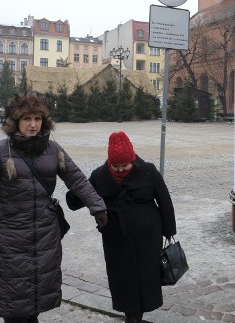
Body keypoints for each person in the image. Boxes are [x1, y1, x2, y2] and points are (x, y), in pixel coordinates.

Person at [0, 92, 108, 323]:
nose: (33, 124)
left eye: (37, 118)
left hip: (43, 236)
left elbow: (76, 178)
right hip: (9, 239)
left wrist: (97, 207)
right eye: (27, 118)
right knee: (13, 302)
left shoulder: (53, 149)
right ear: (15, 121)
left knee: (35, 296)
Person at [66, 131, 177, 323]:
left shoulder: (149, 171)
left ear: (133, 159)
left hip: (147, 234)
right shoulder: (99, 174)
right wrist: (74, 193)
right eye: (115, 166)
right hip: (116, 235)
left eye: (124, 165)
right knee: (122, 276)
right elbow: (81, 197)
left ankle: (138, 313)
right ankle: (131, 315)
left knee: (146, 274)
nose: (119, 170)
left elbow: (164, 201)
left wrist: (169, 230)